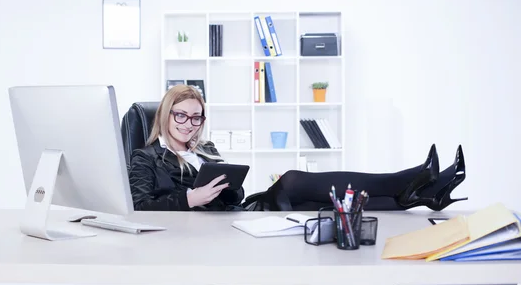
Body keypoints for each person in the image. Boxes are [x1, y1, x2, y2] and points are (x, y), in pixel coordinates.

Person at [128, 85, 467, 212]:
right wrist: (191, 199)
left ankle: (419, 194)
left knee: (314, 201)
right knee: (293, 183)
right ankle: (412, 182)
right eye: (181, 115)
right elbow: (140, 205)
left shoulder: (207, 148)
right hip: (222, 227)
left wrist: (226, 190)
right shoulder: (145, 157)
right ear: (165, 114)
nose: (188, 124)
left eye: (196, 118)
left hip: (240, 215)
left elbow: (233, 195)